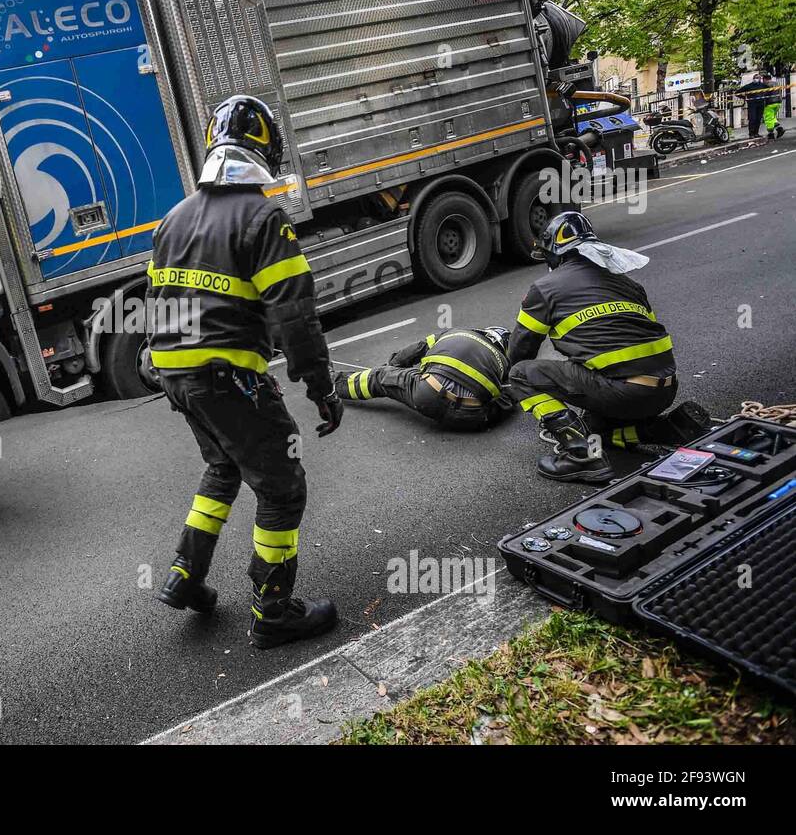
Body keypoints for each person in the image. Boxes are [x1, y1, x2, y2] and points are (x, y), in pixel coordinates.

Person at [147, 94, 343, 650]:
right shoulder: (262, 216)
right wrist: (321, 386)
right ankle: (274, 609)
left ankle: (186, 575)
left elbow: (158, 301)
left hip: (177, 373)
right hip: (224, 373)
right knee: (282, 486)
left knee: (223, 466)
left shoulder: (174, 218)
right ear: (265, 151)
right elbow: (294, 314)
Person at [507, 211, 711, 484]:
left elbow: (521, 349)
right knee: (593, 427)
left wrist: (507, 389)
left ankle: (582, 457)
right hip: (664, 390)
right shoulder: (628, 284)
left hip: (622, 393)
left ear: (556, 255)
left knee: (520, 374)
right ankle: (662, 430)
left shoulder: (545, 288)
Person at [336, 327, 513, 431]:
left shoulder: (456, 332)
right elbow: (508, 397)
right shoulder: (503, 362)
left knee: (378, 378)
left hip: (428, 395)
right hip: (470, 418)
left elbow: (416, 350)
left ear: (485, 331)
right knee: (498, 405)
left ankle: (331, 383)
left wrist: (390, 367)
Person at [761, 73, 786, 140]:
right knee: (772, 118)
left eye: (762, 80)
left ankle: (771, 134)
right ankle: (779, 129)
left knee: (768, 119)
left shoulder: (766, 84)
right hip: (778, 102)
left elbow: (765, 94)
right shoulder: (776, 83)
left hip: (770, 103)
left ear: (764, 79)